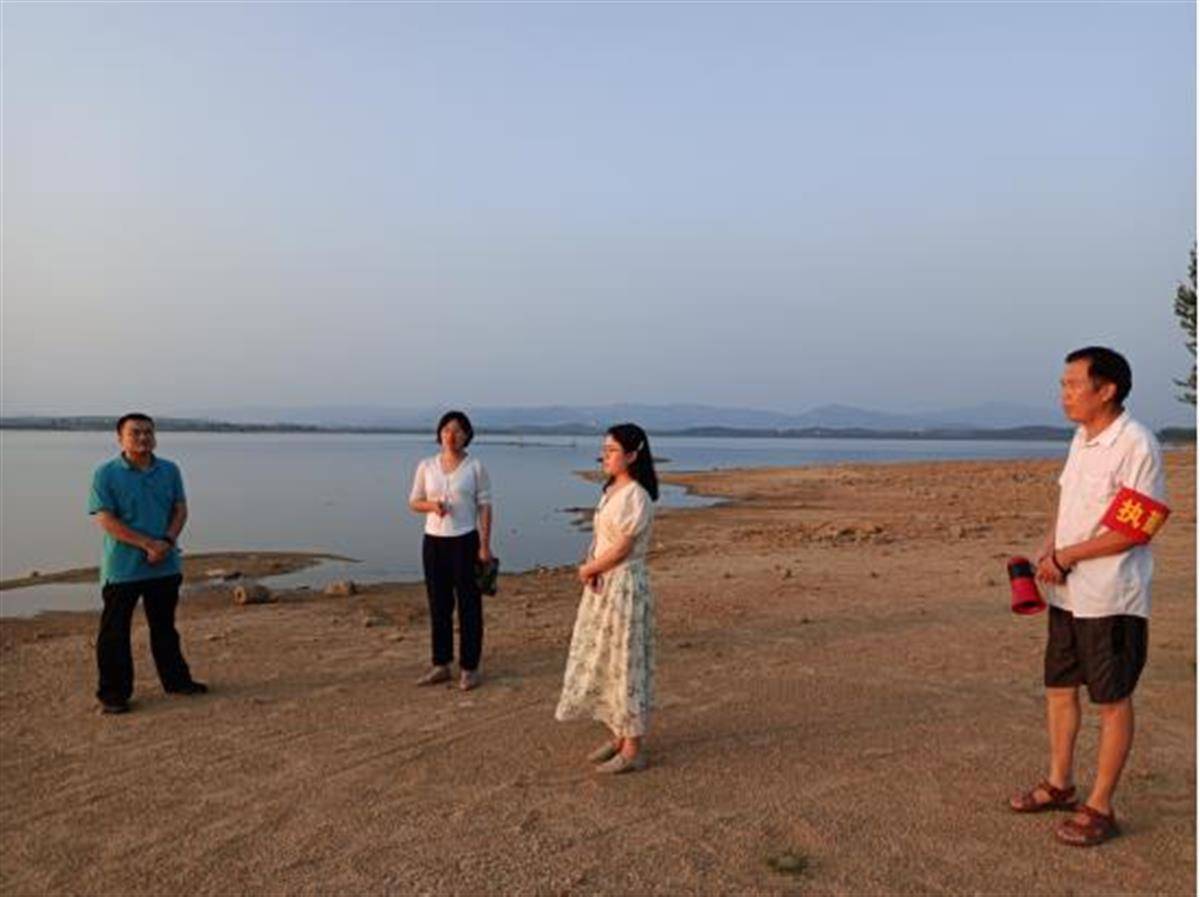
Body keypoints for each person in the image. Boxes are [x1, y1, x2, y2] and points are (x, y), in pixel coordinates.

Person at [1008, 347, 1167, 847]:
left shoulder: (1136, 443)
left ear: (1107, 389)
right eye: (1063, 384)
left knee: (1112, 700)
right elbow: (1069, 503)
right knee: (1060, 688)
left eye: (1073, 384)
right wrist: (1049, 546)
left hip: (1110, 596)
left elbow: (1135, 529)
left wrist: (1067, 556)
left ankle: (1100, 806)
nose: (1064, 394)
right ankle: (1060, 783)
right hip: (1067, 593)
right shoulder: (1081, 438)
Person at [555, 423, 659, 774]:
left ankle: (633, 749)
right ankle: (618, 735)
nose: (605, 456)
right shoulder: (612, 491)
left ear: (632, 455)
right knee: (607, 660)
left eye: (612, 450)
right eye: (604, 450)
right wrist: (592, 567)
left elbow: (622, 548)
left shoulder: (637, 497)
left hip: (624, 586)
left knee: (625, 662)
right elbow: (602, 539)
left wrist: (589, 569)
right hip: (605, 583)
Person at [88, 413, 207, 714]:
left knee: (165, 628)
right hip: (123, 568)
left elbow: (180, 510)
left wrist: (166, 541)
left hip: (164, 565)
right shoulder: (106, 474)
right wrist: (147, 544)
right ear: (120, 438)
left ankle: (177, 681)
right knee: (114, 633)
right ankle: (114, 695)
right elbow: (105, 519)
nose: (143, 438)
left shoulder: (169, 470)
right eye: (135, 433)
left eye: (148, 432)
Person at [408, 410, 494, 691]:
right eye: (446, 430)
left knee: (469, 606)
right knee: (439, 605)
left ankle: (470, 668)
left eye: (457, 430)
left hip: (465, 541)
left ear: (467, 435)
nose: (451, 435)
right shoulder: (426, 465)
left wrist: (484, 545)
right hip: (433, 542)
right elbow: (414, 502)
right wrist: (431, 506)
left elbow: (485, 507)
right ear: (439, 434)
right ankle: (441, 664)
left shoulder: (475, 467)